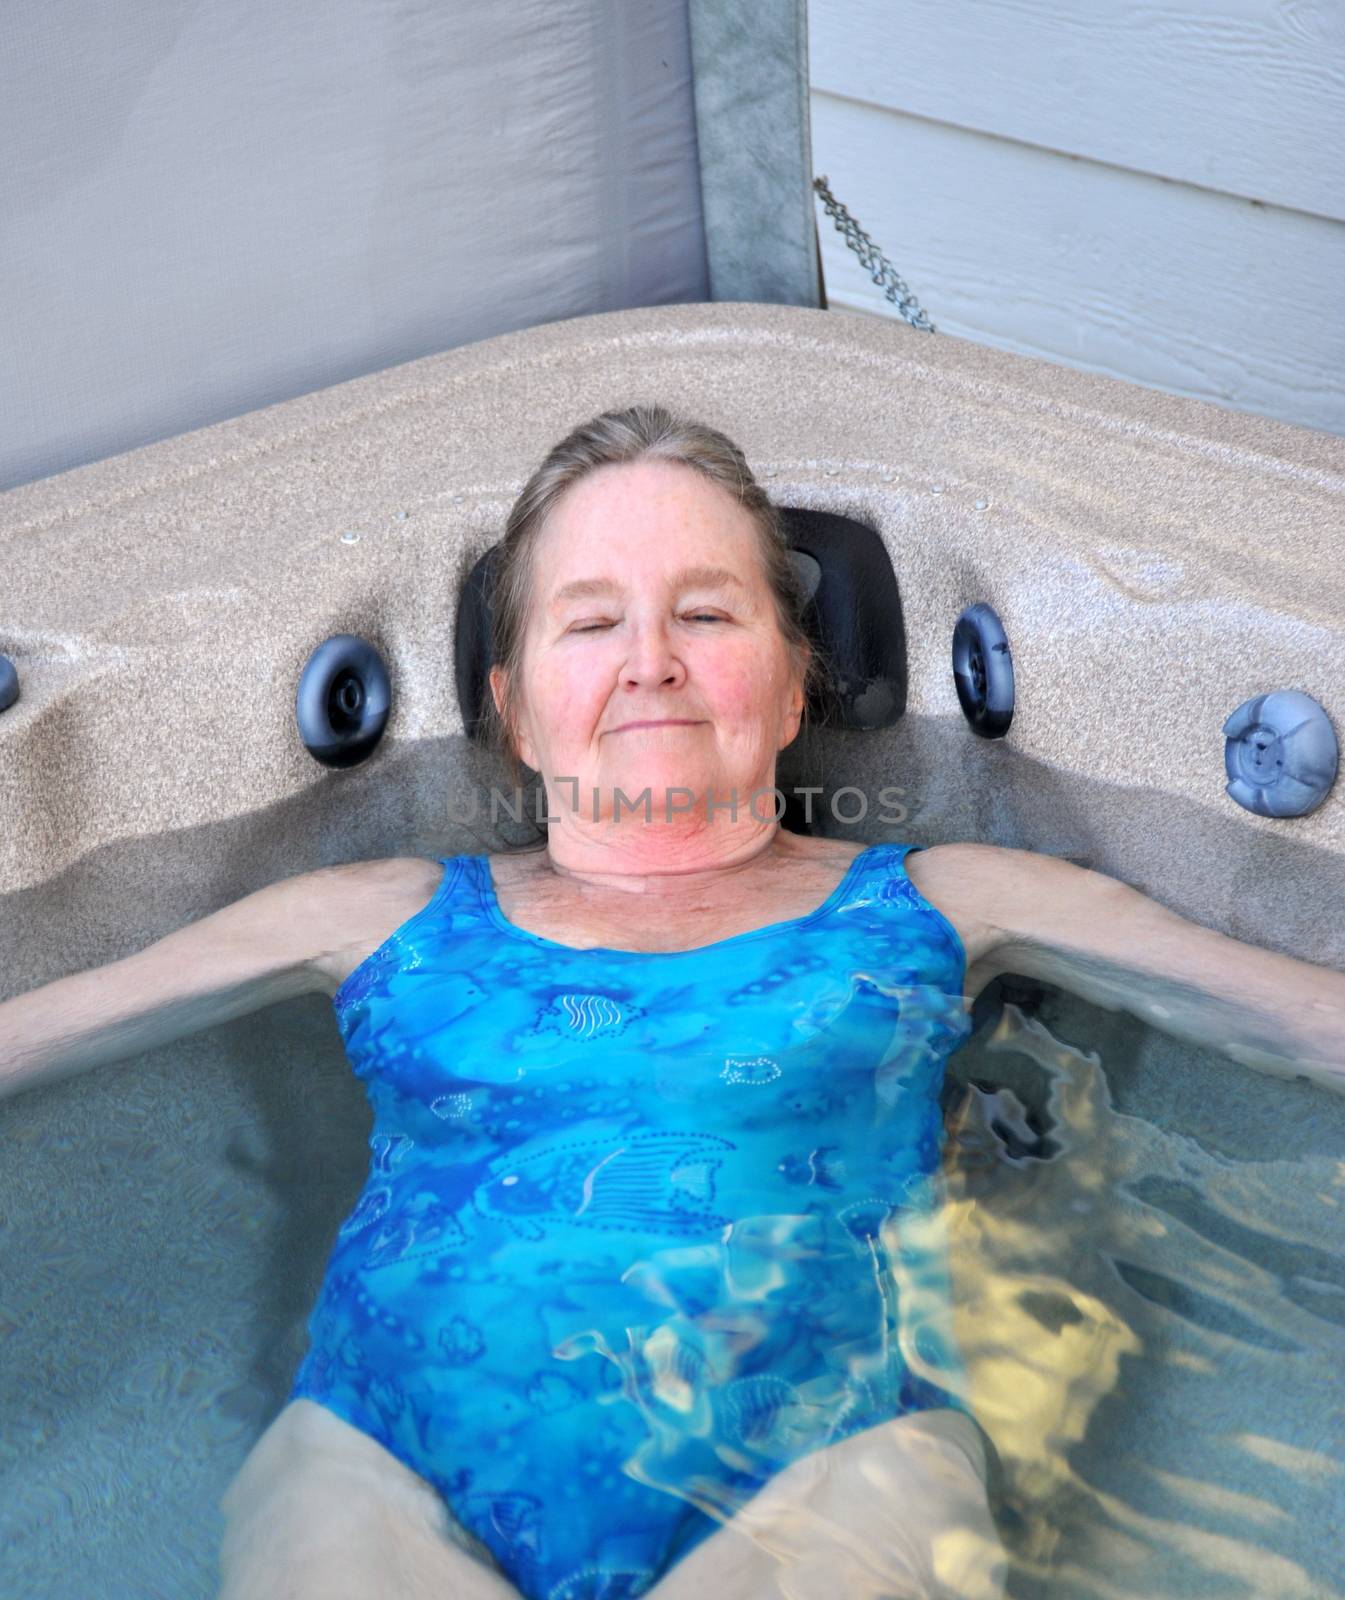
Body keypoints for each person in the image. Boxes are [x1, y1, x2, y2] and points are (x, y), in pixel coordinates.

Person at [2, 405, 1341, 1600]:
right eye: (591, 622)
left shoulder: (938, 896)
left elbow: (1276, 1012)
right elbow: (45, 1029)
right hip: (383, 1464)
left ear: (792, 678)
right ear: (513, 709)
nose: (649, 661)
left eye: (705, 614)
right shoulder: (379, 914)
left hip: (835, 1461)